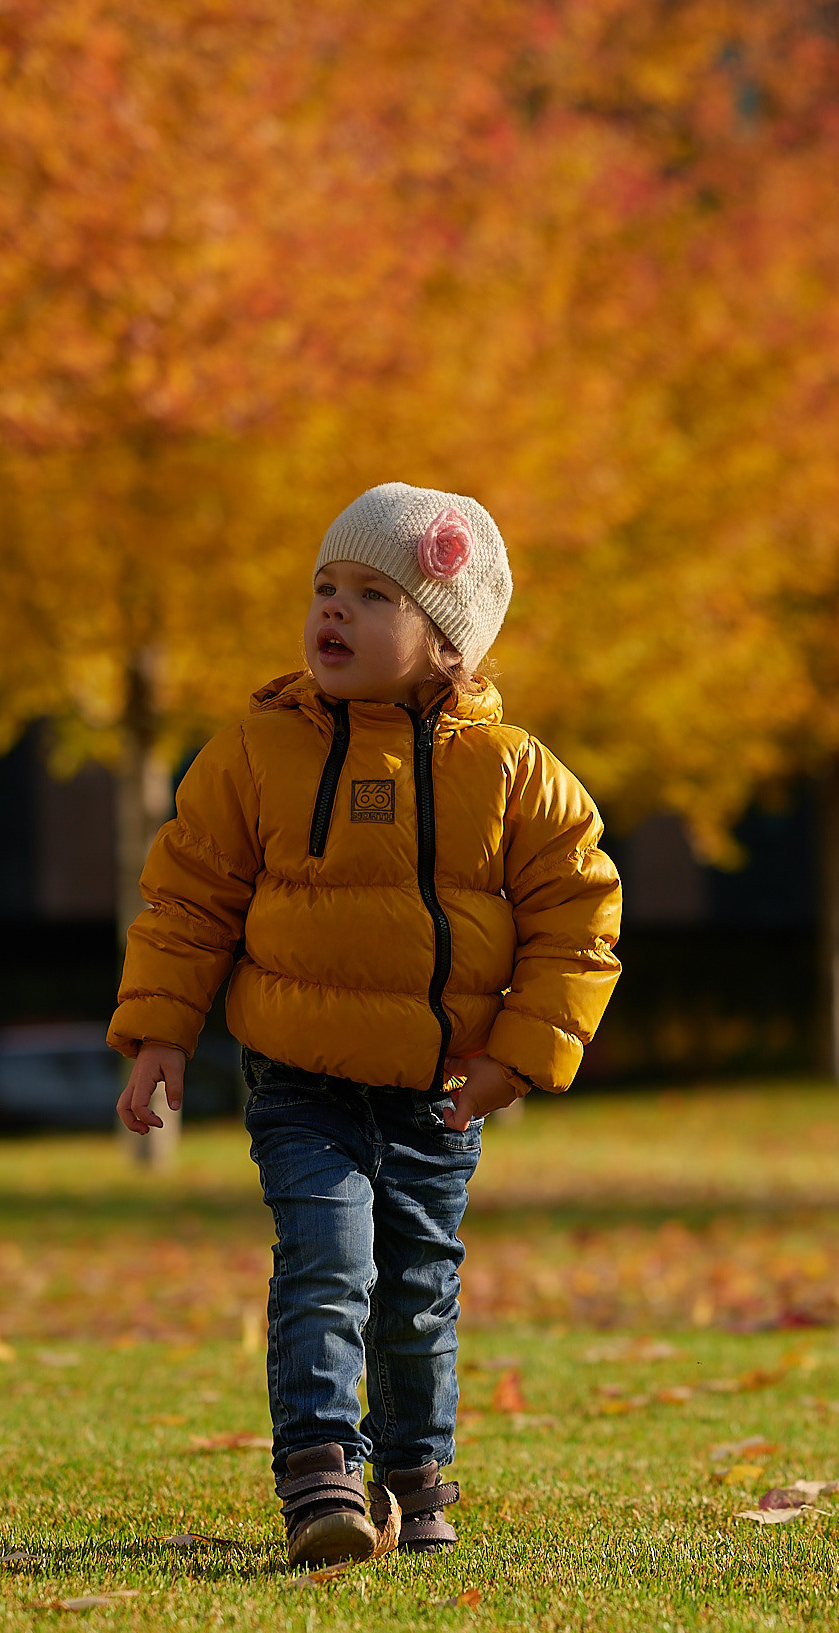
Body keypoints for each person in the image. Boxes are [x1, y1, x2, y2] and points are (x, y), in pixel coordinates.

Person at [107, 483, 622, 1563]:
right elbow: (190, 896)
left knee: (419, 1294)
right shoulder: (258, 749)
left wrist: (516, 1060)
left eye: (372, 594)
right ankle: (319, 1478)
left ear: (446, 644)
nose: (331, 612)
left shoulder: (511, 772)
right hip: (300, 1076)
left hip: (440, 1088)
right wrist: (160, 1031)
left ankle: (414, 1481)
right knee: (327, 1261)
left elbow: (579, 915)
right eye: (324, 588)